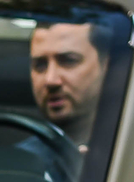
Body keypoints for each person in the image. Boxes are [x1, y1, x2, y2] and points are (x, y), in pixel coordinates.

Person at [30, 19, 110, 162]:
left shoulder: (133, 159)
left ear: (106, 66)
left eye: (68, 61)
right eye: (40, 65)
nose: (51, 80)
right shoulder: (16, 162)